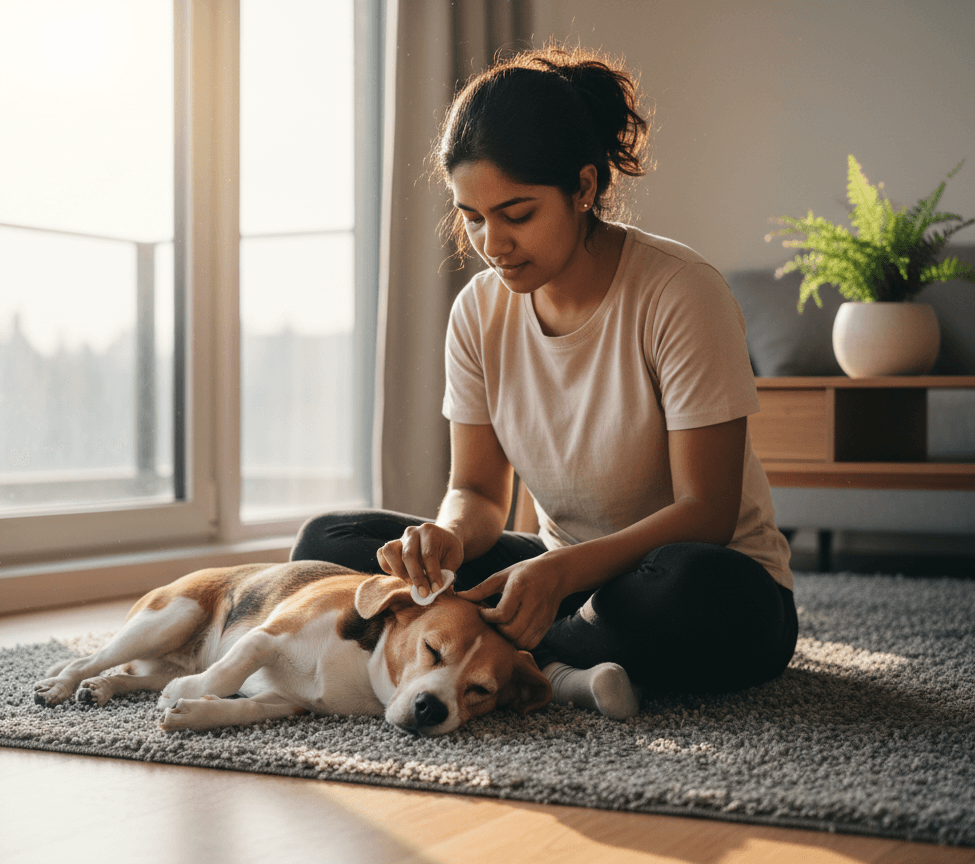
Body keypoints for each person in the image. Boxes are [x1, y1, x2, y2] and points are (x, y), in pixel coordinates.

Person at [292, 45, 797, 720]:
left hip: (702, 583)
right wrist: (446, 540)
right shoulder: (477, 311)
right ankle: (540, 660)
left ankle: (497, 650)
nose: (492, 243)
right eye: (472, 217)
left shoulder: (681, 293)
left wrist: (560, 573)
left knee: (682, 587)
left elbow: (705, 510)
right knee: (329, 544)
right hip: (556, 577)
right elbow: (475, 491)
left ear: (583, 188)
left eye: (517, 213)